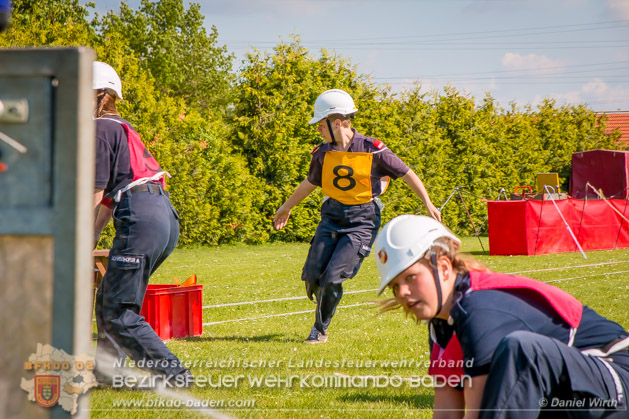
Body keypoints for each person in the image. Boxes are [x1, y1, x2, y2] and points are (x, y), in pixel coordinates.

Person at [373, 214, 629, 418]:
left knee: (524, 349)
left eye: (410, 277)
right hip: (571, 397)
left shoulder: (478, 309)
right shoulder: (441, 325)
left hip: (616, 381)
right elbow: (447, 413)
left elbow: (479, 412)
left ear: (443, 268)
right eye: (395, 285)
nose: (403, 292)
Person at [273, 89, 441, 344]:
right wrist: (286, 207)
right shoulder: (321, 153)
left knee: (332, 277)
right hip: (331, 216)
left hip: (362, 221)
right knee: (312, 275)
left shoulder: (373, 149)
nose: (318, 129)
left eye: (321, 124)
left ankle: (319, 329)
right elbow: (310, 183)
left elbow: (407, 173)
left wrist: (427, 202)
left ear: (337, 122)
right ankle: (318, 294)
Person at [92, 61, 190, 384]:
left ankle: (175, 375)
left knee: (119, 310)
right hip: (162, 216)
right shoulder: (123, 127)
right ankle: (108, 375)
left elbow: (94, 193)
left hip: (142, 216)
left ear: (102, 96)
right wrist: (90, 238)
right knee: (108, 298)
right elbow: (108, 200)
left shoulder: (100, 129)